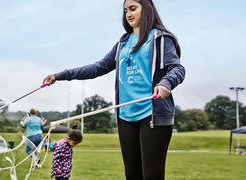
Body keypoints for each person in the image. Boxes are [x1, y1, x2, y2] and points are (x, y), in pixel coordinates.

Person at [43, 0, 185, 179]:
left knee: (152, 175)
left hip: (152, 115)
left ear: (147, 8)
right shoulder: (123, 43)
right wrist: (60, 75)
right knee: (132, 174)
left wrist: (166, 83)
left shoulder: (161, 38)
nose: (128, 14)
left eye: (133, 8)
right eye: (126, 10)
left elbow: (177, 68)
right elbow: (97, 68)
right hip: (125, 115)